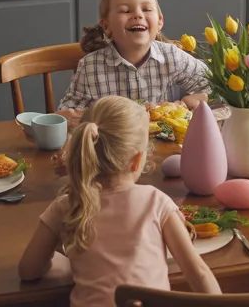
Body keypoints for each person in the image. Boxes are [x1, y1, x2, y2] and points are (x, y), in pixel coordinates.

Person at [18, 96, 221, 304]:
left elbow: (28, 271)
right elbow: (199, 273)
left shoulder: (65, 205)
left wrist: (63, 262)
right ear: (136, 161)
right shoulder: (156, 201)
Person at [57, 0, 210, 118]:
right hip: (111, 145)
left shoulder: (172, 56)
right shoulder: (90, 67)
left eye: (147, 9)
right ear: (106, 26)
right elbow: (66, 114)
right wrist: (82, 117)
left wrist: (188, 102)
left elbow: (215, 87)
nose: (138, 15)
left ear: (159, 22)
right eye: (125, 11)